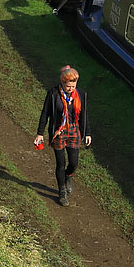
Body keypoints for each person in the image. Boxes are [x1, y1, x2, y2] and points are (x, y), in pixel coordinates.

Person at [34, 64, 91, 207]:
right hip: (58, 132)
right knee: (60, 163)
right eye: (68, 86)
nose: (71, 89)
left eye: (74, 85)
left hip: (73, 131)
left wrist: (87, 133)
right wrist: (40, 133)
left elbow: (84, 116)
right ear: (62, 83)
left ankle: (67, 177)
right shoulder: (53, 94)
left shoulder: (81, 95)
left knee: (73, 163)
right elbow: (45, 114)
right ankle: (62, 191)